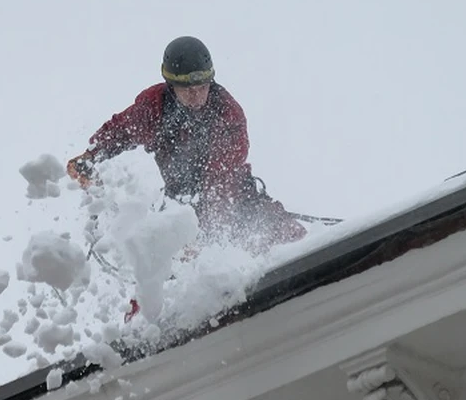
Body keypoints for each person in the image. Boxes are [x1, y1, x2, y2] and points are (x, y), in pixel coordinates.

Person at [67, 36, 306, 254]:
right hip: (178, 205)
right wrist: (90, 156)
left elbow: (220, 181)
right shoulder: (155, 107)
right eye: (188, 89)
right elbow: (122, 130)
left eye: (202, 87)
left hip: (237, 200)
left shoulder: (228, 115)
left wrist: (200, 236)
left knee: (285, 237)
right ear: (172, 86)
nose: (196, 95)